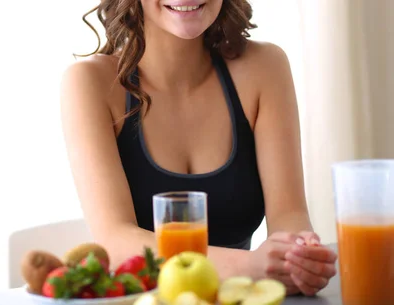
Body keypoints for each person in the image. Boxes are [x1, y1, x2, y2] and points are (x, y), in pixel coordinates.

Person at [59, 0, 337, 296]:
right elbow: (115, 241)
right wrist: (250, 265)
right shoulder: (91, 82)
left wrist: (298, 258)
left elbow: (289, 214)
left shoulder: (264, 68)